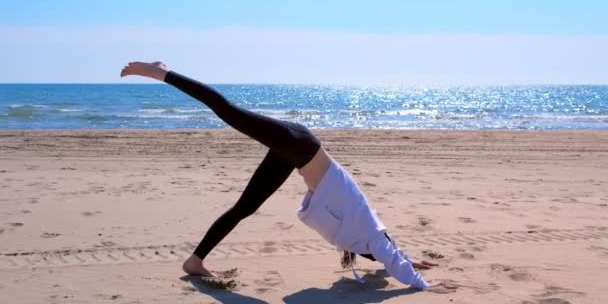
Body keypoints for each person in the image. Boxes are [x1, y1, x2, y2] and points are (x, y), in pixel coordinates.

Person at [120, 61, 450, 291]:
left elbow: (383, 251)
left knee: (244, 208)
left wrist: (406, 258)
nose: (373, 255)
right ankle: (161, 73)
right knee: (230, 112)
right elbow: (383, 249)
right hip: (299, 145)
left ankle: (194, 261)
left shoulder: (363, 232)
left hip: (294, 154)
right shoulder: (366, 228)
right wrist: (417, 280)